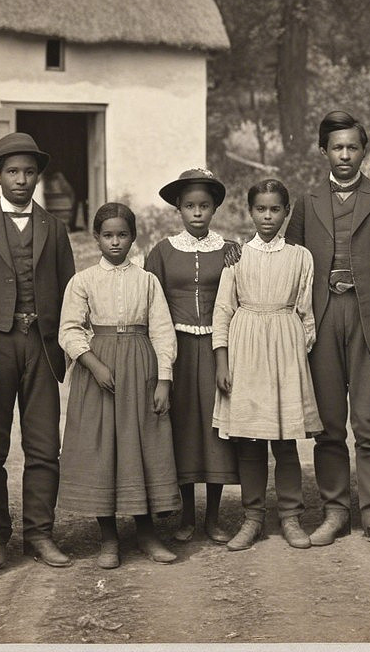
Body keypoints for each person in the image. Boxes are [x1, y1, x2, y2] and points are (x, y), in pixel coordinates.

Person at [286, 111, 370, 552]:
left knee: (368, 420)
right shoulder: (306, 201)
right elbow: (289, 262)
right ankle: (335, 511)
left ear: (364, 151)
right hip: (321, 320)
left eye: (353, 148)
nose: (344, 155)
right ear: (323, 151)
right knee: (328, 424)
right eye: (336, 147)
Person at [0, 132, 77, 570]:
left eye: (28, 172)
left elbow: (68, 293)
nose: (21, 180)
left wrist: (66, 347)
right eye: (12, 172)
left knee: (44, 446)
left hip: (42, 347)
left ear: (38, 176)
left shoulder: (54, 227)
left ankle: (40, 535)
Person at [58, 203, 181, 568]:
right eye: (108, 235)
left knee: (140, 445)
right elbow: (69, 329)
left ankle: (146, 534)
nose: (115, 242)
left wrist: (163, 379)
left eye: (122, 235)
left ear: (133, 237)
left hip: (140, 366)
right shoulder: (83, 281)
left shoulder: (147, 281)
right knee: (104, 449)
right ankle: (108, 538)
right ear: (96, 238)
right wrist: (93, 364)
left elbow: (162, 330)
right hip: (101, 371)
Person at [211, 179, 322, 551]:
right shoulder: (237, 255)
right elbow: (223, 310)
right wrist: (223, 360)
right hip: (246, 352)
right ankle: (252, 517)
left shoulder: (300, 256)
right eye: (261, 209)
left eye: (276, 209)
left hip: (285, 353)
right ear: (250, 211)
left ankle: (290, 517)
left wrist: (295, 353)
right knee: (251, 441)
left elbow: (306, 312)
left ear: (287, 212)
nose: (268, 216)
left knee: (286, 440)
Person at [145, 169, 241, 544]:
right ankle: (186, 514)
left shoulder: (231, 249)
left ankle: (214, 517)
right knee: (183, 428)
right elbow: (151, 304)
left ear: (214, 208)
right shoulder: (164, 251)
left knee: (215, 430)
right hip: (178, 351)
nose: (197, 213)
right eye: (189, 206)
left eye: (204, 206)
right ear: (178, 209)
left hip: (218, 348)